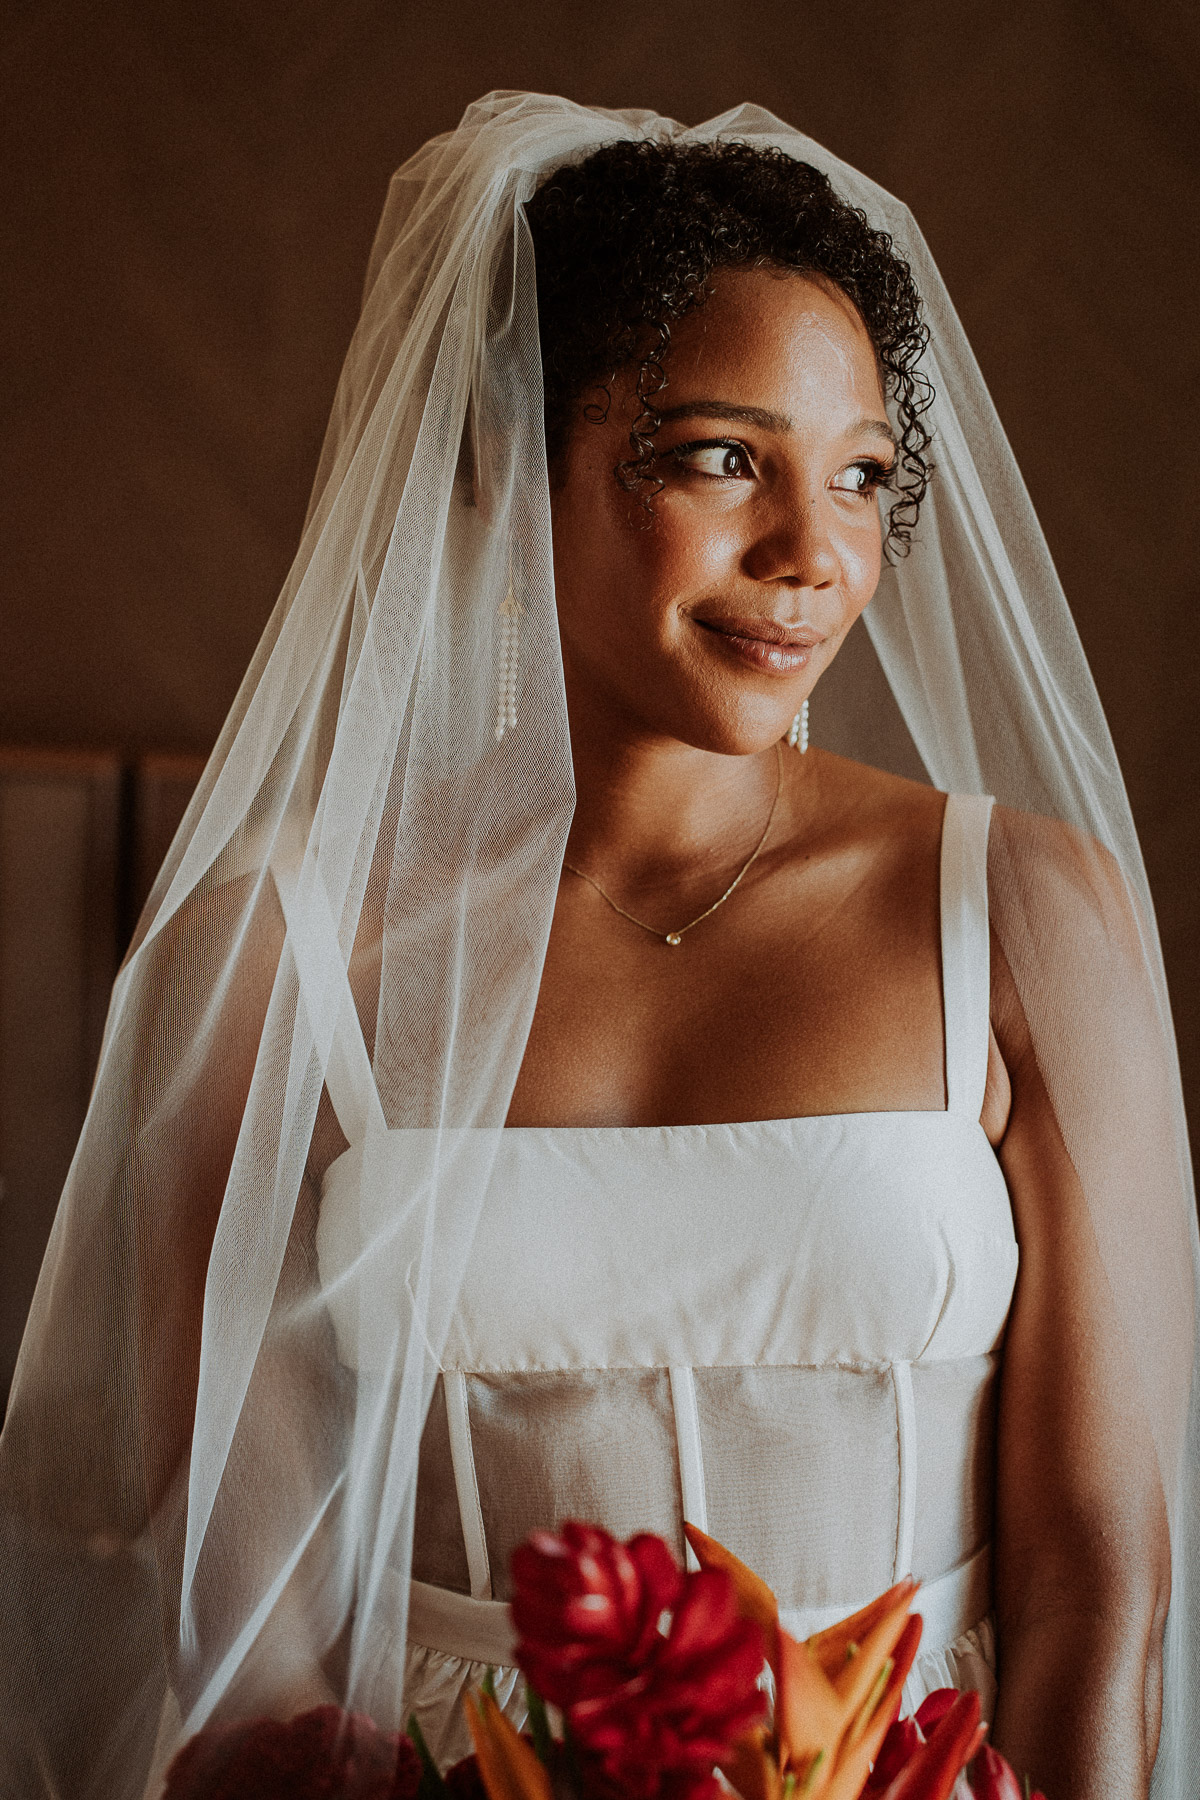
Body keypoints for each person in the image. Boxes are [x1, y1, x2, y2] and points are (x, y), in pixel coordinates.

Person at [0, 93, 1194, 1800]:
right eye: (721, 458)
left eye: (861, 475)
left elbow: (1103, 1574)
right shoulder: (277, 964)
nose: (812, 556)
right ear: (502, 449)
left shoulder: (1030, 920)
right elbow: (239, 1629)